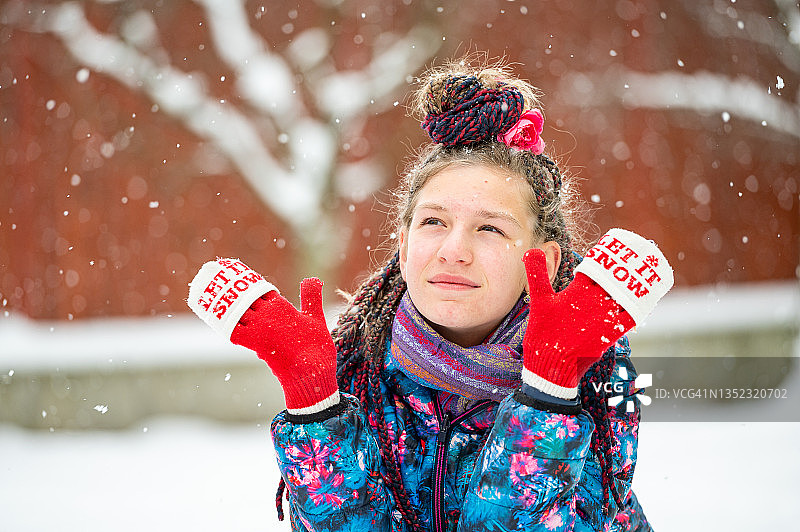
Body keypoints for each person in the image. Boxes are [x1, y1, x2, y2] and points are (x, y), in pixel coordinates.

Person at [188, 57, 673, 532]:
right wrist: (317, 406)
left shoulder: (595, 384)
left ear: (541, 263)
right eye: (434, 222)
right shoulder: (361, 374)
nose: (453, 250)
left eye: (490, 228)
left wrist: (549, 391)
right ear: (403, 247)